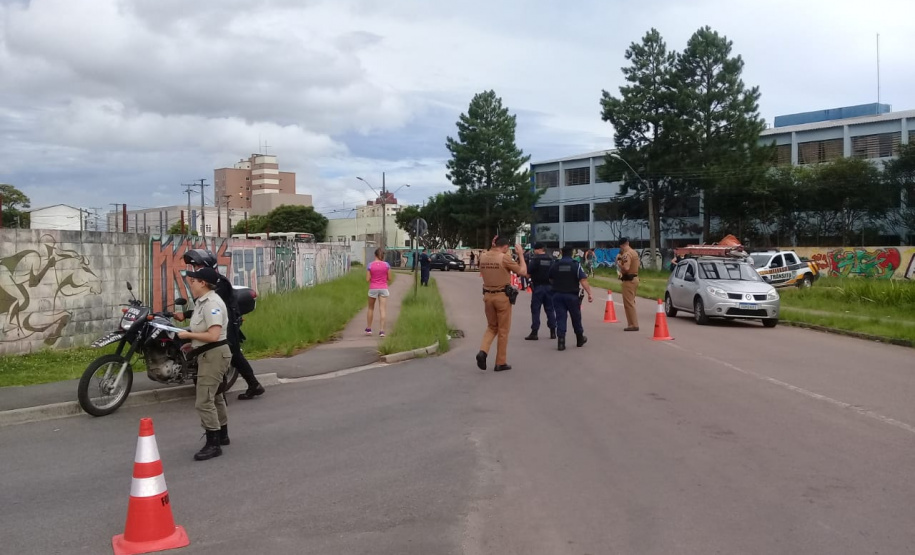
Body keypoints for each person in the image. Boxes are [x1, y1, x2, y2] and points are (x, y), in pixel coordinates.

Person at [179, 249, 265, 401]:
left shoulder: (218, 283)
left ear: (206, 265)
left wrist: (187, 317)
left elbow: (211, 308)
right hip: (220, 323)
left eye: (197, 266)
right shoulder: (210, 281)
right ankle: (253, 385)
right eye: (194, 267)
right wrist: (185, 315)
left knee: (222, 356)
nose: (195, 270)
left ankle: (221, 397)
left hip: (226, 324)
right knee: (233, 356)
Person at [178, 267, 232, 461]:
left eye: (193, 281)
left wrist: (188, 335)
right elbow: (205, 333)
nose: (190, 284)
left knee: (203, 400)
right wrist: (191, 343)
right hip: (208, 353)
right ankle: (222, 434)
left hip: (214, 355)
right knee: (216, 396)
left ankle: (213, 443)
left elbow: (214, 335)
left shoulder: (212, 304)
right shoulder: (202, 303)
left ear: (202, 283)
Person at [476, 237, 527, 372]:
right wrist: (521, 254)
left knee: (491, 327)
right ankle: (500, 362)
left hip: (487, 296)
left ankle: (483, 352)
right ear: (505, 247)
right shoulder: (504, 258)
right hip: (502, 297)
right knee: (503, 331)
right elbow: (522, 271)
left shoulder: (484, 256)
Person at [549, 245, 593, 351]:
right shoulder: (575, 265)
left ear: (561, 252)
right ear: (572, 253)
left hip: (558, 295)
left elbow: (550, 278)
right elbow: (583, 280)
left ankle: (561, 342)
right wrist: (589, 293)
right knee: (576, 317)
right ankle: (579, 339)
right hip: (572, 296)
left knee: (560, 318)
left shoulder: (555, 264)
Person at [524, 243, 556, 341]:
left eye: (535, 249)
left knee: (535, 309)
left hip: (538, 287)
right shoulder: (551, 259)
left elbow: (528, 274)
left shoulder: (535, 260)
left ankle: (534, 332)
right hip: (549, 287)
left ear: (540, 249)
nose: (534, 251)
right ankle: (553, 331)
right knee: (550, 309)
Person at [615, 237, 641, 331]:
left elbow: (626, 268)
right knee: (631, 302)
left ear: (621, 245)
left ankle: (633, 324)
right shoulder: (634, 252)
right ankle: (632, 323)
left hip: (628, 280)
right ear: (628, 243)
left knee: (628, 303)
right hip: (635, 278)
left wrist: (619, 263)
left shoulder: (626, 254)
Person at [365, 248, 391, 337]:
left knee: (371, 308)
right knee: (382, 309)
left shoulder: (370, 265)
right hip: (383, 288)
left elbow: (367, 279)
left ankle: (368, 329)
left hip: (373, 288)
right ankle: (382, 330)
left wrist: (374, 278)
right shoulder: (386, 265)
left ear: (375, 255)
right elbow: (389, 278)